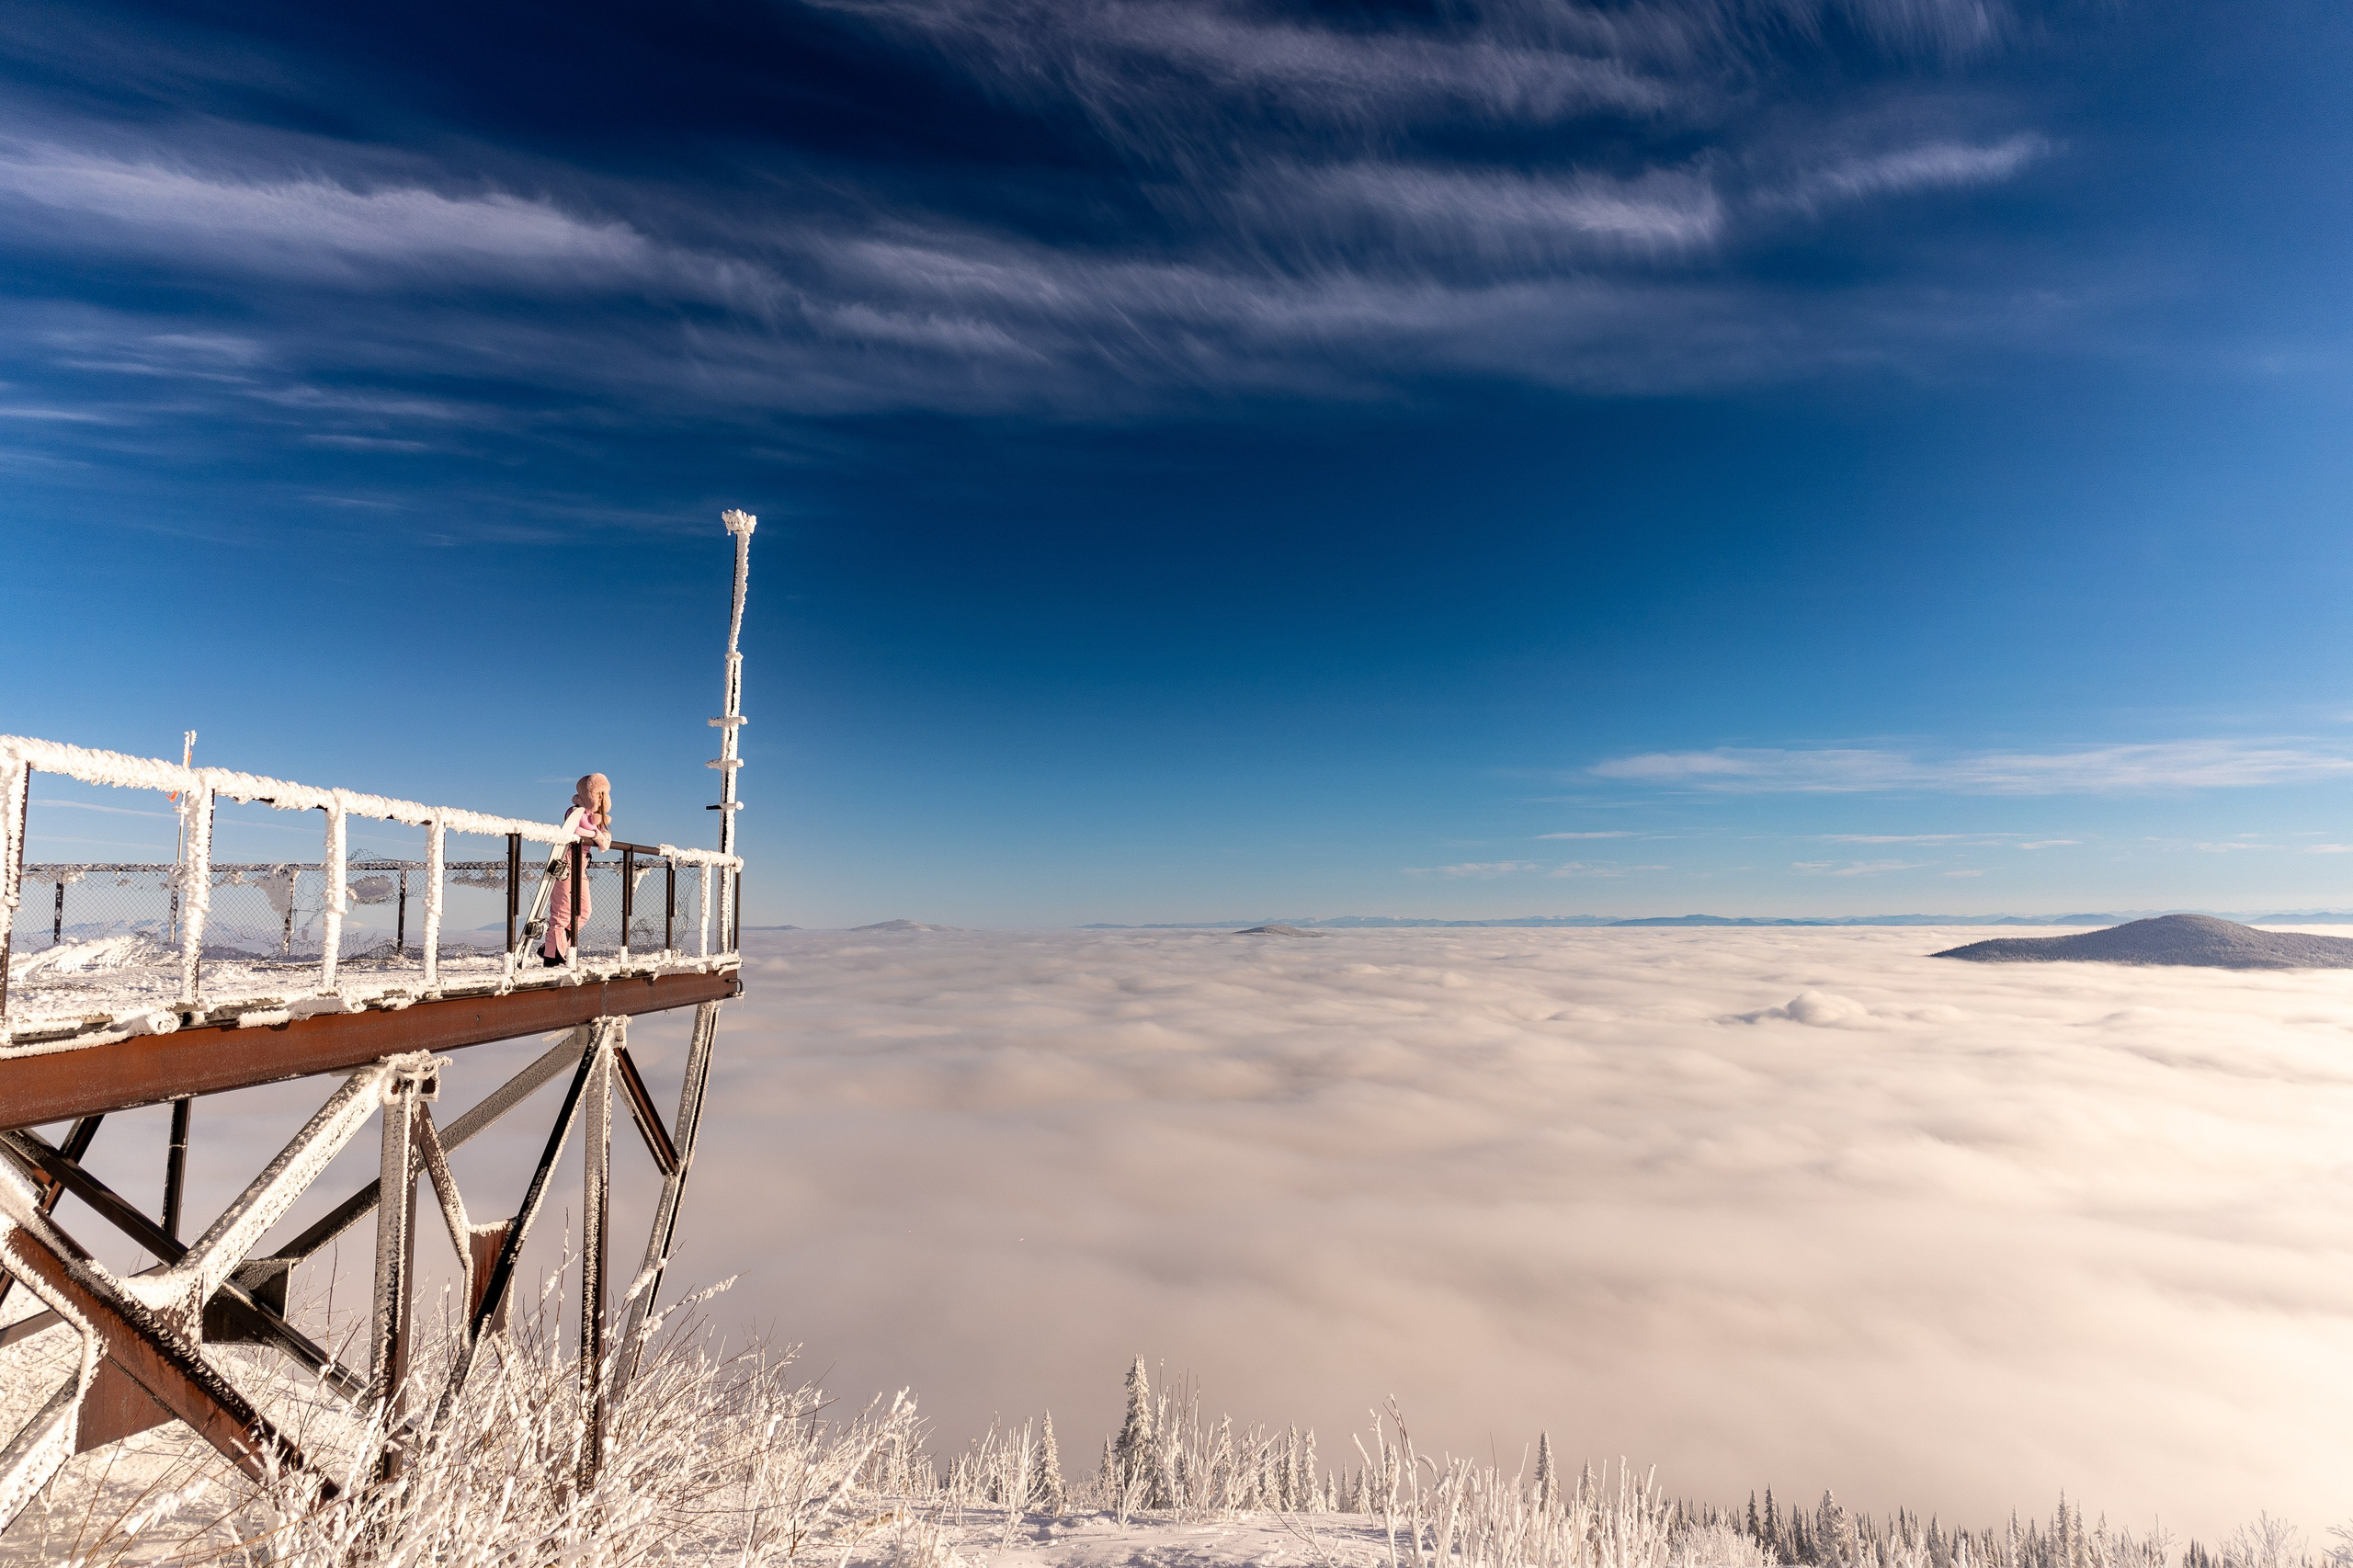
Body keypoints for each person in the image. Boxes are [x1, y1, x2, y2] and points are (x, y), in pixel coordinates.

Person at [542, 773, 613, 965]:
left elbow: (604, 842)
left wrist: (599, 834)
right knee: (563, 910)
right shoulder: (575, 811)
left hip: (581, 863)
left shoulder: (597, 819)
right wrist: (597, 834)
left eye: (603, 794)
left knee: (584, 910)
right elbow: (574, 830)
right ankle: (552, 957)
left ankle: (554, 946)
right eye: (598, 793)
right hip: (567, 860)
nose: (601, 798)